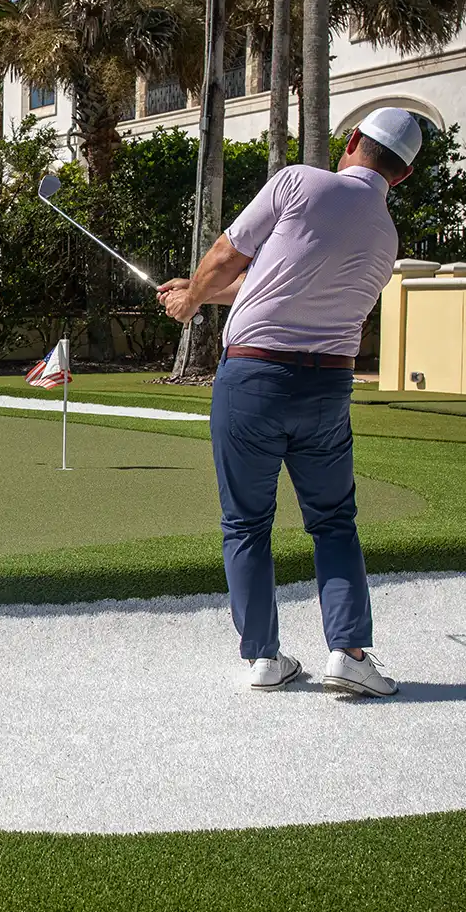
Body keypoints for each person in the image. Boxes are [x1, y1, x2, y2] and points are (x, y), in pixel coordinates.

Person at [155, 107, 422, 698]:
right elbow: (273, 287)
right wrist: (196, 292)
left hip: (252, 381)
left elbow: (228, 255)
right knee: (333, 523)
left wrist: (193, 300)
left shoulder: (301, 181)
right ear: (400, 176)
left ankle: (264, 659)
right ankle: (349, 652)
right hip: (327, 389)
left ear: (352, 141)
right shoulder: (386, 237)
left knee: (246, 522)